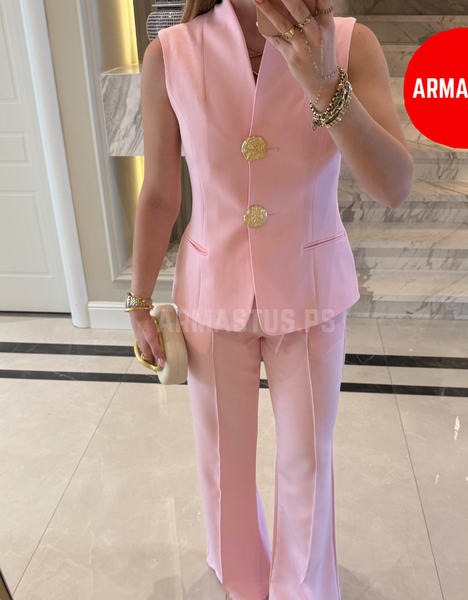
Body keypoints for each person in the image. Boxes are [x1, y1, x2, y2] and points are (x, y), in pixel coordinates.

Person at [129, 0, 413, 597]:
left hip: (309, 289)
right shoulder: (172, 53)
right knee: (223, 460)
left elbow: (394, 186)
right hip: (211, 292)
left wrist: (325, 84)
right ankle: (240, 578)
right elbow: (158, 194)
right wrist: (138, 302)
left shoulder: (349, 45)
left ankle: (302, 588)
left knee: (307, 459)